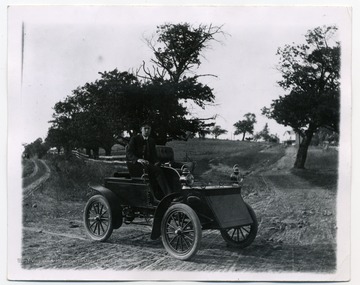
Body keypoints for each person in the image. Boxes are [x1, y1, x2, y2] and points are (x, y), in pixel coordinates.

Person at [126, 122, 172, 200]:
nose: (147, 130)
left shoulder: (151, 141)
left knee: (165, 169)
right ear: (141, 130)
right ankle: (169, 195)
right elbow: (129, 152)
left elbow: (154, 155)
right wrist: (137, 159)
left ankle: (160, 195)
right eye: (145, 128)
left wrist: (157, 162)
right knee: (157, 171)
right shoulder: (135, 139)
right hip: (136, 164)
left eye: (149, 129)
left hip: (148, 164)